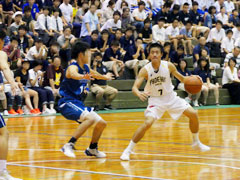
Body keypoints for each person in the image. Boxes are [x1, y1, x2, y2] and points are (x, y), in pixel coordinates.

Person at [120, 43, 210, 161]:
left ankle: (196, 142)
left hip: (171, 97)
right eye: (152, 52)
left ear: (161, 54)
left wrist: (194, 78)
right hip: (156, 100)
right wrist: (138, 93)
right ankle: (128, 150)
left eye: (157, 52)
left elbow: (183, 79)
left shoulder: (168, 66)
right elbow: (134, 87)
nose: (155, 54)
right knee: (147, 123)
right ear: (149, 55)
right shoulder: (145, 70)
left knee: (193, 114)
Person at [59, 40, 112, 158]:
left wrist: (105, 77)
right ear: (81, 55)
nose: (90, 55)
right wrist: (82, 76)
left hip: (78, 103)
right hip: (67, 102)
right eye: (88, 53)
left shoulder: (86, 67)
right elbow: (73, 74)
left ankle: (92, 148)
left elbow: (94, 74)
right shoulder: (73, 67)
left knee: (102, 123)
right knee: (90, 119)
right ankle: (69, 145)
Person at [0, 29, 22, 180]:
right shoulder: (1, 53)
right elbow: (5, 67)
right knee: (3, 133)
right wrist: (13, 83)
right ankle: (2, 172)